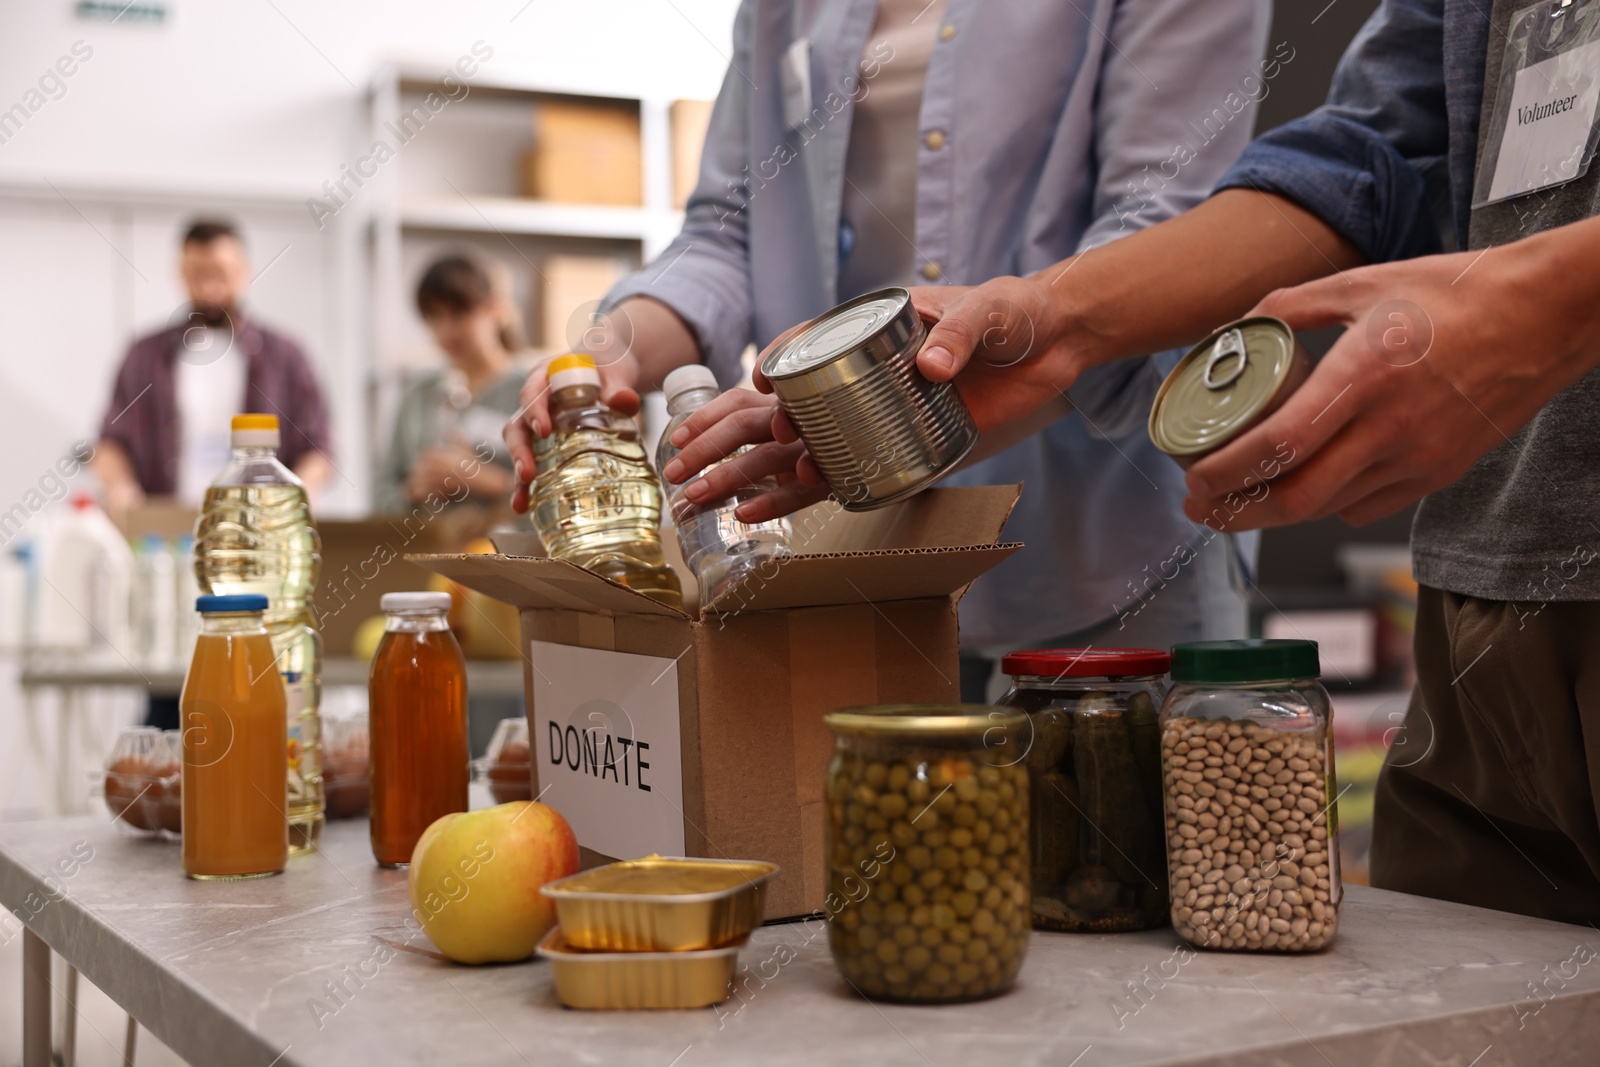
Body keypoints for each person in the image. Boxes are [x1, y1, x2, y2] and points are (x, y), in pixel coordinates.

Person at [675, 0, 1600, 922]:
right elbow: (1373, 155)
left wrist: (1557, 297)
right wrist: (1059, 324)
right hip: (1484, 594)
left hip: (1128, 571)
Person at [506, 0, 1274, 694]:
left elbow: (1166, 231)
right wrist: (611, 348)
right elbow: (727, 229)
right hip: (848, 562)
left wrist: (889, 417)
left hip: (1102, 552)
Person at [94, 219, 334, 518]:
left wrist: (304, 490)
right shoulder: (144, 355)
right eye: (198, 274)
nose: (209, 287)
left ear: (244, 271)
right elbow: (109, 442)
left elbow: (319, 448)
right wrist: (120, 487)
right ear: (181, 274)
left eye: (220, 274)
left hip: (258, 525)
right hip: (164, 527)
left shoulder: (286, 356)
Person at [374, 254, 526, 516]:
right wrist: (412, 491)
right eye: (434, 317)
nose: (446, 331)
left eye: (458, 314)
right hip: (427, 550)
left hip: (504, 553)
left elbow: (558, 498)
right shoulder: (417, 396)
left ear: (495, 308)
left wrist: (490, 482)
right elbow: (379, 498)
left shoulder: (528, 392)